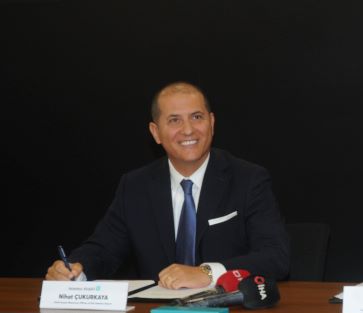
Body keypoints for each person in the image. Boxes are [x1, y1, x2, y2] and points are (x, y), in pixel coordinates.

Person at [46, 82, 289, 289]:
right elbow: (104, 249)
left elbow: (275, 257)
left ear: (212, 122)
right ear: (156, 132)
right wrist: (74, 270)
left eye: (197, 117)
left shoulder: (248, 179)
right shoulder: (135, 185)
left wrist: (207, 273)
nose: (188, 130)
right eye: (174, 120)